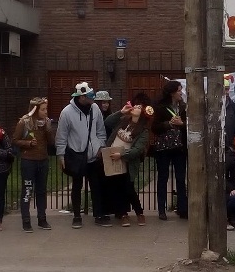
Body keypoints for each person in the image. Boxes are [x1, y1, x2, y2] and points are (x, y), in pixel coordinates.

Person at [55, 82, 109, 229]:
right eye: (89, 95)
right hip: (77, 154)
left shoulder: (95, 108)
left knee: (96, 186)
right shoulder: (67, 113)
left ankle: (98, 214)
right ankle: (77, 215)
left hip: (93, 155)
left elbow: (100, 130)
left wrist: (101, 146)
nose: (93, 97)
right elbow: (61, 136)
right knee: (77, 186)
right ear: (81, 97)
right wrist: (61, 155)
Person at [104, 97, 152, 227]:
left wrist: (122, 154)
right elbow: (107, 122)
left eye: (138, 107)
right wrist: (121, 111)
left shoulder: (143, 131)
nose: (135, 107)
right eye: (135, 106)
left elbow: (137, 150)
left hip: (127, 161)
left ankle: (139, 213)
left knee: (128, 189)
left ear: (142, 114)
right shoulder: (123, 121)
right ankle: (123, 214)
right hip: (112, 157)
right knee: (116, 188)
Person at [13, 97, 55, 233]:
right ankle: (26, 220)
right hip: (28, 161)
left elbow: (51, 143)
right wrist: (28, 143)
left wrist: (48, 130)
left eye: (46, 109)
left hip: (43, 160)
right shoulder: (24, 122)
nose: (45, 112)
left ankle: (42, 219)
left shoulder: (46, 122)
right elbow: (15, 140)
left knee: (41, 191)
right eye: (43, 109)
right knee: (27, 190)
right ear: (35, 109)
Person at [151, 80, 188, 220]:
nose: (181, 93)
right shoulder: (160, 107)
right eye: (179, 90)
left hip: (179, 148)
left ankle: (182, 209)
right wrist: (169, 124)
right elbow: (154, 128)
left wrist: (182, 124)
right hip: (163, 148)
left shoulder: (183, 107)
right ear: (172, 92)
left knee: (180, 178)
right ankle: (161, 209)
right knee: (163, 178)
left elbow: (190, 126)